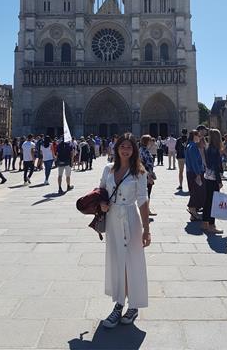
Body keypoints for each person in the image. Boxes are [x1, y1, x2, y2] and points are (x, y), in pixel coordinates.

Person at [99, 133, 150, 328]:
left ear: (134, 149)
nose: (125, 149)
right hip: (113, 220)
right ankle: (119, 304)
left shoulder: (139, 172)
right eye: (123, 146)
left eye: (129, 147)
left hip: (131, 218)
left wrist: (147, 230)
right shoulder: (108, 169)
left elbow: (143, 201)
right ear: (117, 148)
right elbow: (101, 191)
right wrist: (102, 203)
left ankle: (134, 304)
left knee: (133, 261)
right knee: (117, 261)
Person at [202, 129, 223, 234]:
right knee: (214, 202)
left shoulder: (207, 147)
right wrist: (219, 181)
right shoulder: (215, 149)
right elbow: (216, 166)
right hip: (214, 178)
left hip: (207, 177)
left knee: (208, 201)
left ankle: (205, 223)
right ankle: (211, 225)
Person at [185, 130, 206, 220]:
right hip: (195, 172)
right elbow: (194, 161)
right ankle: (192, 208)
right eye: (198, 136)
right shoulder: (193, 146)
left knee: (195, 190)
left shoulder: (189, 145)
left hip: (191, 172)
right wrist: (198, 174)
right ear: (194, 135)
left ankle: (193, 213)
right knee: (197, 191)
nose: (200, 138)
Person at [139, 135, 157, 216]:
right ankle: (146, 210)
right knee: (147, 193)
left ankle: (145, 209)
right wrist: (149, 176)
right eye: (150, 141)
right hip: (146, 174)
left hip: (142, 174)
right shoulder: (145, 151)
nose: (152, 142)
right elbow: (148, 165)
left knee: (144, 193)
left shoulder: (140, 149)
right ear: (147, 142)